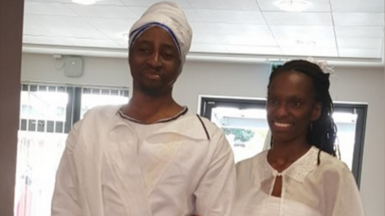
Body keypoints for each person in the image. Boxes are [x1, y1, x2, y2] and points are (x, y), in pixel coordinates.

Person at [51, 2, 236, 216]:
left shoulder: (208, 141)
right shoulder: (89, 129)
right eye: (145, 50)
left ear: (180, 64)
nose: (154, 61)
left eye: (166, 54)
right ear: (130, 54)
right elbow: (65, 206)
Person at [232, 59, 365, 216]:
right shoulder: (240, 172)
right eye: (274, 101)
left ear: (315, 110)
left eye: (295, 103)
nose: (281, 112)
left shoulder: (333, 175)